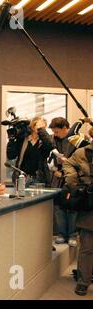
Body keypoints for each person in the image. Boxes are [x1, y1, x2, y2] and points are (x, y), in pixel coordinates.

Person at [49, 117, 91, 247]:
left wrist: (81, 121)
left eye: (57, 131)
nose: (55, 134)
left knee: (73, 209)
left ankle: (73, 235)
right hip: (58, 179)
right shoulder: (52, 141)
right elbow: (48, 159)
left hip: (75, 181)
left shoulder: (78, 140)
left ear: (64, 129)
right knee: (59, 208)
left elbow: (82, 163)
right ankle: (61, 234)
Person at [63, 142, 93, 296]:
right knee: (87, 247)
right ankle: (83, 281)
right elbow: (67, 164)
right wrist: (75, 183)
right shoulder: (82, 153)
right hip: (89, 206)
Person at [6, 116, 53, 186]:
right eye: (39, 125)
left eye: (43, 127)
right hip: (21, 176)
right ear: (33, 126)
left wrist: (41, 131)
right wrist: (11, 140)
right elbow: (11, 155)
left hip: (38, 178)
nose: (40, 128)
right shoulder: (23, 139)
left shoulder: (44, 141)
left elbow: (50, 146)